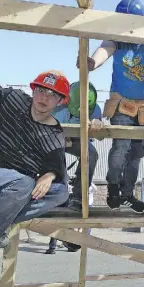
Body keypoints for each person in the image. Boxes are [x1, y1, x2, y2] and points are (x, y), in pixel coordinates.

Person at [0, 70, 70, 263]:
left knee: (61, 192)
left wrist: (48, 176)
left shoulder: (54, 135)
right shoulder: (12, 99)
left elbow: (55, 166)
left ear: (60, 101)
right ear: (32, 91)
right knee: (24, 183)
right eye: (41, 90)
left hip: (17, 191)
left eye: (52, 94)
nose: (44, 97)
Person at [79, 0, 144, 213]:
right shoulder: (118, 40)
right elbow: (105, 49)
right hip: (122, 103)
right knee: (121, 146)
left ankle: (127, 192)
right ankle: (112, 186)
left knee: (137, 151)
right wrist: (92, 62)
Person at [52, 81, 103, 212]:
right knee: (54, 153)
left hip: (79, 138)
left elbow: (99, 135)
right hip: (57, 137)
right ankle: (57, 194)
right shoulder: (58, 108)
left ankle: (78, 196)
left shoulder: (95, 109)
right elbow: (50, 133)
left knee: (91, 154)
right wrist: (64, 139)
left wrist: (98, 124)